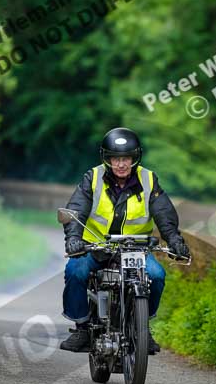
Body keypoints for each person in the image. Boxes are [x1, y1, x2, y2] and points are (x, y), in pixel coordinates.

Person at [60, 127, 190, 354]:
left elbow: (164, 213)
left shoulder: (148, 180)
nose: (121, 164)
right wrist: (73, 239)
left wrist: (175, 240)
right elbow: (76, 209)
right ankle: (81, 327)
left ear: (134, 158)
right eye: (116, 158)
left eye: (126, 158)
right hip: (95, 246)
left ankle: (142, 328)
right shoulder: (92, 178)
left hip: (135, 249)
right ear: (107, 159)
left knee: (157, 275)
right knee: (75, 271)